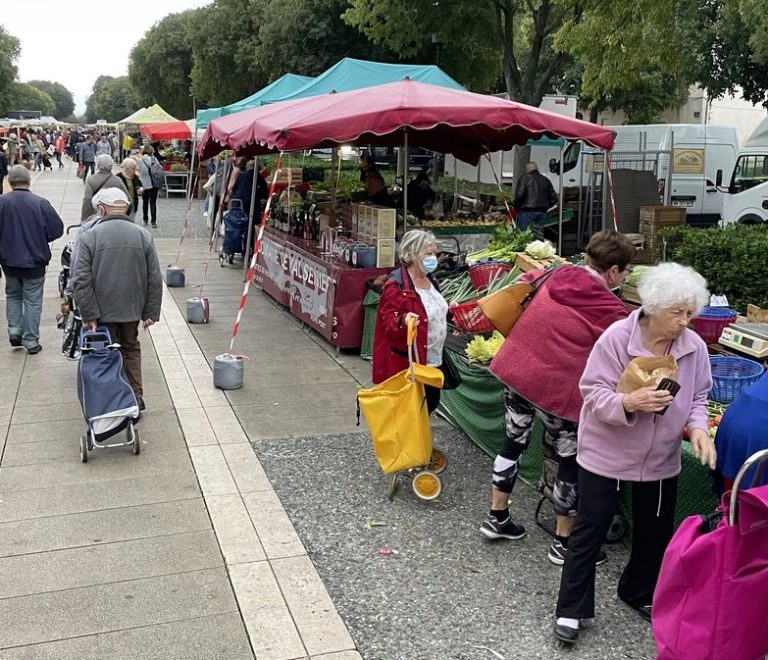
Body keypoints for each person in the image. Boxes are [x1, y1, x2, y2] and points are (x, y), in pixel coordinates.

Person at [553, 262, 715, 645]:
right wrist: (630, 401)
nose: (684, 321)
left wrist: (699, 430)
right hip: (606, 451)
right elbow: (592, 392)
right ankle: (571, 608)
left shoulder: (695, 347)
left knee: (655, 531)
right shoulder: (616, 339)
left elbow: (698, 397)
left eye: (690, 312)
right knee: (589, 529)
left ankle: (638, 591)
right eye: (676, 312)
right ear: (654, 307)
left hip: (660, 458)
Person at [480, 230, 635, 565]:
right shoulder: (610, 308)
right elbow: (628, 352)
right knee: (569, 458)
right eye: (626, 272)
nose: (624, 279)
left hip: (517, 371)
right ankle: (564, 543)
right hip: (557, 392)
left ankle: (497, 517)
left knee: (513, 442)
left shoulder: (558, 272)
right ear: (614, 271)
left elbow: (524, 280)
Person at [73, 187, 162, 412]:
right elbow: (154, 276)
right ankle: (136, 395)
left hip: (101, 310)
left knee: (105, 353)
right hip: (132, 308)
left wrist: (89, 314)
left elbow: (81, 279)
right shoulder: (143, 235)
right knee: (131, 348)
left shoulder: (89, 237)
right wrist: (150, 312)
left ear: (102, 209)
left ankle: (113, 399)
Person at [372, 229, 448, 414]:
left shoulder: (430, 279)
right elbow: (388, 325)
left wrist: (448, 310)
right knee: (411, 410)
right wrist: (403, 321)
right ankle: (411, 443)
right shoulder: (395, 287)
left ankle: (421, 442)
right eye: (429, 254)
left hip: (434, 359)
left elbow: (430, 309)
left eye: (434, 253)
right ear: (413, 255)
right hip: (410, 363)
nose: (434, 258)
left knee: (429, 404)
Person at [0, 165, 64, 354]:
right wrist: (40, 237)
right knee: (33, 300)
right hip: (35, 260)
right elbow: (56, 229)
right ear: (28, 180)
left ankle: (14, 330)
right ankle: (31, 340)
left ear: (10, 181)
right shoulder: (40, 203)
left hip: (9, 260)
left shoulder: (2, 203)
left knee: (12, 295)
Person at [514, 162, 558, 238]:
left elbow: (519, 196)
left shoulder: (524, 178)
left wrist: (517, 207)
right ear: (537, 168)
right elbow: (554, 198)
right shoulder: (546, 180)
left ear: (527, 170)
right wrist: (546, 207)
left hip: (526, 212)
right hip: (541, 212)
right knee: (538, 237)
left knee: (523, 238)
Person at [81, 154, 129, 222]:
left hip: (96, 216)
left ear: (98, 165)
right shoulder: (117, 180)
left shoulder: (91, 180)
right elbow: (128, 200)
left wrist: (84, 219)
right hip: (114, 217)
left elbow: (87, 200)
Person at [136, 144, 160, 227]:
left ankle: (145, 219)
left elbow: (139, 170)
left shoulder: (140, 160)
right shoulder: (154, 159)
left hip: (144, 183)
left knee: (145, 202)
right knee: (153, 202)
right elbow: (158, 169)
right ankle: (153, 222)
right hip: (154, 182)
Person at [116, 158, 143, 222]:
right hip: (122, 205)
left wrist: (141, 190)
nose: (135, 170)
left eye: (135, 168)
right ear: (127, 168)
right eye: (133, 168)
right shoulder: (118, 177)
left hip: (133, 203)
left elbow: (140, 186)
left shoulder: (135, 177)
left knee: (132, 221)